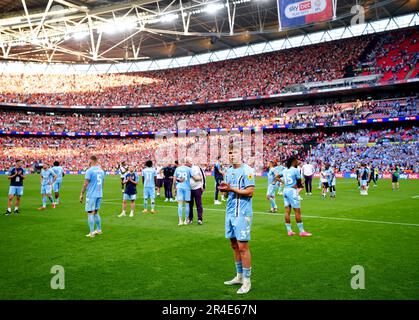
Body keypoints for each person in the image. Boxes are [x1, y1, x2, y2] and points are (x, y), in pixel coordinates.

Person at [221, 150, 255, 294]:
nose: (232, 156)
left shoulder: (247, 170)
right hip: (230, 212)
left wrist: (232, 189)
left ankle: (247, 281)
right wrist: (224, 191)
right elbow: (229, 192)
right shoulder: (228, 171)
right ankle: (239, 276)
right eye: (229, 154)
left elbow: (250, 191)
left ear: (240, 154)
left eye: (234, 153)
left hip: (242, 213)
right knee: (234, 245)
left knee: (243, 246)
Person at [278, 156, 312, 237]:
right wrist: (301, 184)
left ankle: (289, 231)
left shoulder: (285, 170)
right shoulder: (295, 170)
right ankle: (301, 231)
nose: (298, 162)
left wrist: (284, 182)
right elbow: (299, 183)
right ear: (293, 161)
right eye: (297, 161)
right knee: (297, 211)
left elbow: (276, 177)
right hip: (292, 192)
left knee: (287, 211)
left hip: (285, 190)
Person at [80, 155, 105, 238]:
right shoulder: (101, 171)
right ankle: (99, 229)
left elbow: (85, 184)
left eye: (88, 161)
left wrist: (81, 194)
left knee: (90, 213)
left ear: (91, 161)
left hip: (91, 194)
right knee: (96, 212)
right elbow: (103, 184)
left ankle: (91, 232)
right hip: (99, 194)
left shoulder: (89, 171)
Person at [174, 157, 200, 226]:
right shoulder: (188, 169)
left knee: (179, 204)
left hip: (179, 187)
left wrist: (174, 189)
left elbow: (174, 180)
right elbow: (195, 178)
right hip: (187, 188)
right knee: (187, 204)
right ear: (185, 162)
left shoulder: (177, 169)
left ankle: (180, 220)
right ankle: (186, 220)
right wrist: (199, 178)